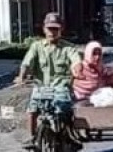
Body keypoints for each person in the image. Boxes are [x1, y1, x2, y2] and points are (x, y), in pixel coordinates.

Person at [14, 12, 81, 142]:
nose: (52, 32)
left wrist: (77, 69)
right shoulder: (36, 47)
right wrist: (22, 76)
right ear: (44, 29)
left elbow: (76, 61)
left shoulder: (68, 48)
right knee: (32, 110)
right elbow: (27, 62)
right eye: (50, 29)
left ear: (61, 29)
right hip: (41, 87)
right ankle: (33, 139)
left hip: (61, 88)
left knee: (63, 110)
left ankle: (68, 136)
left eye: (55, 29)